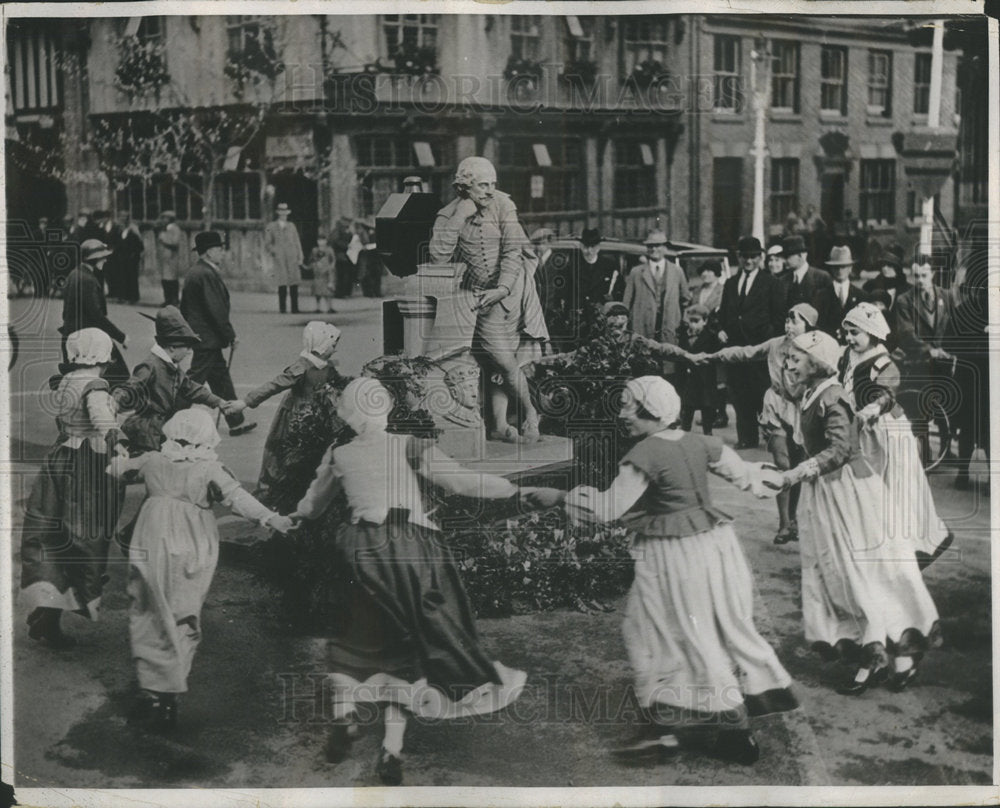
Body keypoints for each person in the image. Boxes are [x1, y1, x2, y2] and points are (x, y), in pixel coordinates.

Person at [524, 377, 796, 764]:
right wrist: (782, 477)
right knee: (703, 634)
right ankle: (726, 731)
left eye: (627, 406)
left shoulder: (646, 453)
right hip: (715, 549)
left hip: (673, 557)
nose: (622, 414)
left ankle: (671, 729)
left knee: (652, 632)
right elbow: (749, 476)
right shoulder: (701, 442)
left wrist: (560, 497)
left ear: (650, 411)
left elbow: (607, 509)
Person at [291, 378, 530, 785]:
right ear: (384, 408)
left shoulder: (339, 453)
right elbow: (460, 481)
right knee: (404, 649)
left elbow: (312, 506)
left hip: (360, 549)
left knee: (356, 641)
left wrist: (295, 515)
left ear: (350, 413)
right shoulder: (409, 444)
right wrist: (512, 489)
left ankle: (346, 716)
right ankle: (392, 749)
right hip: (411, 549)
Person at [108, 409, 294, 731]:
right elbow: (237, 497)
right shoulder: (210, 468)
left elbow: (117, 470)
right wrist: (270, 518)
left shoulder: (153, 460)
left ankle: (153, 689)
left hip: (151, 539)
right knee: (184, 611)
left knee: (148, 609)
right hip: (192, 543)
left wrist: (118, 452)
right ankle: (170, 693)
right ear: (207, 437)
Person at [781, 331, 940, 695]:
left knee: (868, 574)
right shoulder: (811, 393)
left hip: (849, 492)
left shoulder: (832, 398)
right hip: (825, 494)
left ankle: (899, 656)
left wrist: (795, 473)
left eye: (796, 358)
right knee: (837, 576)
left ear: (816, 362)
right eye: (789, 357)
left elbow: (840, 449)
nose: (789, 363)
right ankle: (872, 652)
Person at [19, 329, 128, 648]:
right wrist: (119, 442)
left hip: (61, 458)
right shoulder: (96, 385)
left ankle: (46, 611)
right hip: (86, 467)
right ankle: (50, 616)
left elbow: (65, 419)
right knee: (84, 539)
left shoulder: (67, 381)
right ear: (103, 358)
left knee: (55, 536)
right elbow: (101, 419)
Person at [428, 155, 546, 443]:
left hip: (510, 293)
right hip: (476, 299)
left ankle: (515, 418)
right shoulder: (449, 214)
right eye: (482, 185)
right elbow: (438, 255)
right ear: (464, 187)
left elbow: (512, 252)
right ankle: (515, 419)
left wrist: (502, 289)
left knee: (502, 361)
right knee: (495, 361)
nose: (489, 190)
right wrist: (460, 216)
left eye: (493, 184)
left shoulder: (504, 205)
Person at [838, 303, 953, 569]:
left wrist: (870, 410)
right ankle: (872, 543)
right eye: (848, 332)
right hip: (861, 428)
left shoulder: (882, 362)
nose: (850, 338)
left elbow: (887, 393)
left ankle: (912, 545)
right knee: (866, 488)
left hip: (886, 431)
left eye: (856, 333)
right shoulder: (847, 355)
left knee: (895, 487)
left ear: (872, 333)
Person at [693, 303, 818, 545]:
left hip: (803, 410)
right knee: (782, 463)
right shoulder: (775, 344)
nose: (789, 325)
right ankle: (783, 524)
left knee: (799, 465)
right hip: (776, 408)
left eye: (795, 321)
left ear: (808, 326)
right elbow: (745, 352)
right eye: (787, 320)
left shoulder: (816, 349)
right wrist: (713, 357)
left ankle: (794, 520)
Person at [228, 322, 343, 503]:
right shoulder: (303, 366)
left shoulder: (326, 365)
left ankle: (305, 491)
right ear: (321, 345)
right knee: (281, 456)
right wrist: (245, 402)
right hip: (296, 418)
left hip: (318, 417)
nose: (335, 350)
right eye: (333, 345)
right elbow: (274, 385)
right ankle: (267, 496)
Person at [112, 306, 237, 455]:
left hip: (160, 427)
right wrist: (115, 401)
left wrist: (218, 402)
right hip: (145, 431)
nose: (189, 351)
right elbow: (131, 387)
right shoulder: (151, 365)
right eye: (186, 347)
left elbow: (191, 387)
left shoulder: (172, 367)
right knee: (148, 467)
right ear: (172, 347)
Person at [180, 230, 256, 437]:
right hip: (207, 338)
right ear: (207, 252)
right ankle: (168, 417)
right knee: (193, 383)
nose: (222, 252)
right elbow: (216, 310)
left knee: (220, 378)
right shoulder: (205, 274)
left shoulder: (198, 271)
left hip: (204, 337)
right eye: (218, 249)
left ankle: (235, 421)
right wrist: (230, 335)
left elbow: (186, 307)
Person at [717, 236, 786, 449]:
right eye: (745, 256)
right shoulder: (730, 283)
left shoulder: (771, 283)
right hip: (736, 350)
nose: (748, 261)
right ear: (739, 257)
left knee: (761, 393)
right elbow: (724, 314)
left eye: (753, 257)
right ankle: (746, 438)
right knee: (739, 393)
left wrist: (768, 340)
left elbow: (779, 317)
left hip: (760, 350)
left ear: (760, 258)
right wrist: (721, 330)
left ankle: (770, 436)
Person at [892, 257, 955, 461]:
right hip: (918, 363)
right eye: (916, 275)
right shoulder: (905, 300)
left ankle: (947, 451)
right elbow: (906, 333)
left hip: (943, 363)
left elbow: (953, 327)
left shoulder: (946, 296)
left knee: (945, 406)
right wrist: (929, 350)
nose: (919, 280)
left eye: (924, 275)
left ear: (933, 275)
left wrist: (948, 350)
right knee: (921, 409)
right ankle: (925, 452)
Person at [60, 238, 130, 388]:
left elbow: (66, 312)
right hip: (88, 339)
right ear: (94, 259)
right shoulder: (87, 280)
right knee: (120, 377)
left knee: (80, 380)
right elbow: (97, 316)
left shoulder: (74, 274)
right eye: (102, 257)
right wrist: (121, 337)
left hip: (74, 337)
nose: (105, 260)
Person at [623, 229, 690, 377]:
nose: (654, 249)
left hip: (668, 329)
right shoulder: (636, 272)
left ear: (665, 247)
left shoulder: (677, 271)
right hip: (643, 329)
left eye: (658, 245)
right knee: (644, 372)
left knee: (668, 372)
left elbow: (685, 299)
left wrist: (679, 319)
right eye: (650, 246)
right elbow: (626, 304)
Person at [675, 304, 721, 435]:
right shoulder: (683, 336)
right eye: (691, 321)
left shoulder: (711, 337)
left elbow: (716, 355)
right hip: (688, 381)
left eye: (697, 321)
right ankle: (685, 435)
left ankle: (708, 434)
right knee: (687, 411)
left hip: (705, 381)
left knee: (707, 410)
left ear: (705, 321)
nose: (693, 325)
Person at [783, 235, 837, 336]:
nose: (785, 261)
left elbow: (830, 312)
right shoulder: (783, 281)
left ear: (801, 256)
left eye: (788, 257)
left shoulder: (822, 277)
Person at [264, 202, 304, 314]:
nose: (283, 214)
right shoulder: (271, 226)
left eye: (285, 212)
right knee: (282, 282)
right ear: (278, 213)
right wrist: (275, 251)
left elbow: (297, 241)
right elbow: (267, 243)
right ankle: (283, 308)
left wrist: (300, 255)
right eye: (281, 212)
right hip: (280, 258)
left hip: (292, 256)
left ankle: (295, 308)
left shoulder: (291, 226)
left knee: (293, 282)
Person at [826, 245, 868, 332]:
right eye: (836, 267)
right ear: (831, 269)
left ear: (850, 268)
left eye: (843, 266)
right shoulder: (821, 295)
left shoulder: (862, 295)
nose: (840, 271)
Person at [113, 211, 144, 305]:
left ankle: (133, 297)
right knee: (121, 276)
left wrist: (134, 254)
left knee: (131, 277)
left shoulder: (133, 229)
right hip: (121, 257)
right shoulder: (119, 229)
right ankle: (122, 296)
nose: (123, 219)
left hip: (131, 257)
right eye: (121, 216)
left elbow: (139, 245)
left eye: (125, 217)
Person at [156, 211, 183, 306]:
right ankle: (168, 299)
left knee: (171, 279)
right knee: (165, 280)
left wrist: (164, 241)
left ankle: (174, 299)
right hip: (165, 259)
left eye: (165, 218)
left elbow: (175, 243)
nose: (163, 220)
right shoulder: (165, 229)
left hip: (171, 258)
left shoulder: (174, 229)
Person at [307, 233, 336, 313]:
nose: (321, 242)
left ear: (326, 241)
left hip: (327, 272)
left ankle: (329, 307)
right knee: (317, 291)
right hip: (318, 273)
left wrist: (331, 267)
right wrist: (314, 265)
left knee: (328, 291)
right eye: (319, 240)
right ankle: (318, 307)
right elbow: (311, 260)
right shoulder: (315, 250)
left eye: (323, 240)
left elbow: (333, 259)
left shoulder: (329, 250)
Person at [331, 216, 356, 299]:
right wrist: (347, 246)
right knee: (341, 275)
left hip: (349, 256)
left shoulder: (347, 230)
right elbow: (335, 241)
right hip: (341, 256)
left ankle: (346, 292)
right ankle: (340, 293)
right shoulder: (337, 230)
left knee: (348, 275)